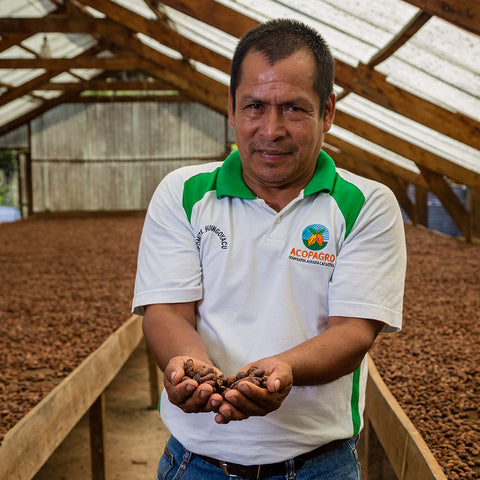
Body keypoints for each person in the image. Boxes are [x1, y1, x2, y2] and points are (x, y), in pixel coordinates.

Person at [133, 18, 406, 480]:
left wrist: (284, 370)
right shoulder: (183, 193)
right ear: (231, 106)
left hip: (320, 465)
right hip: (196, 463)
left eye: (294, 109)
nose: (271, 129)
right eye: (255, 106)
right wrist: (187, 367)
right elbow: (166, 311)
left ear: (328, 111)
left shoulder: (366, 204)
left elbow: (355, 331)